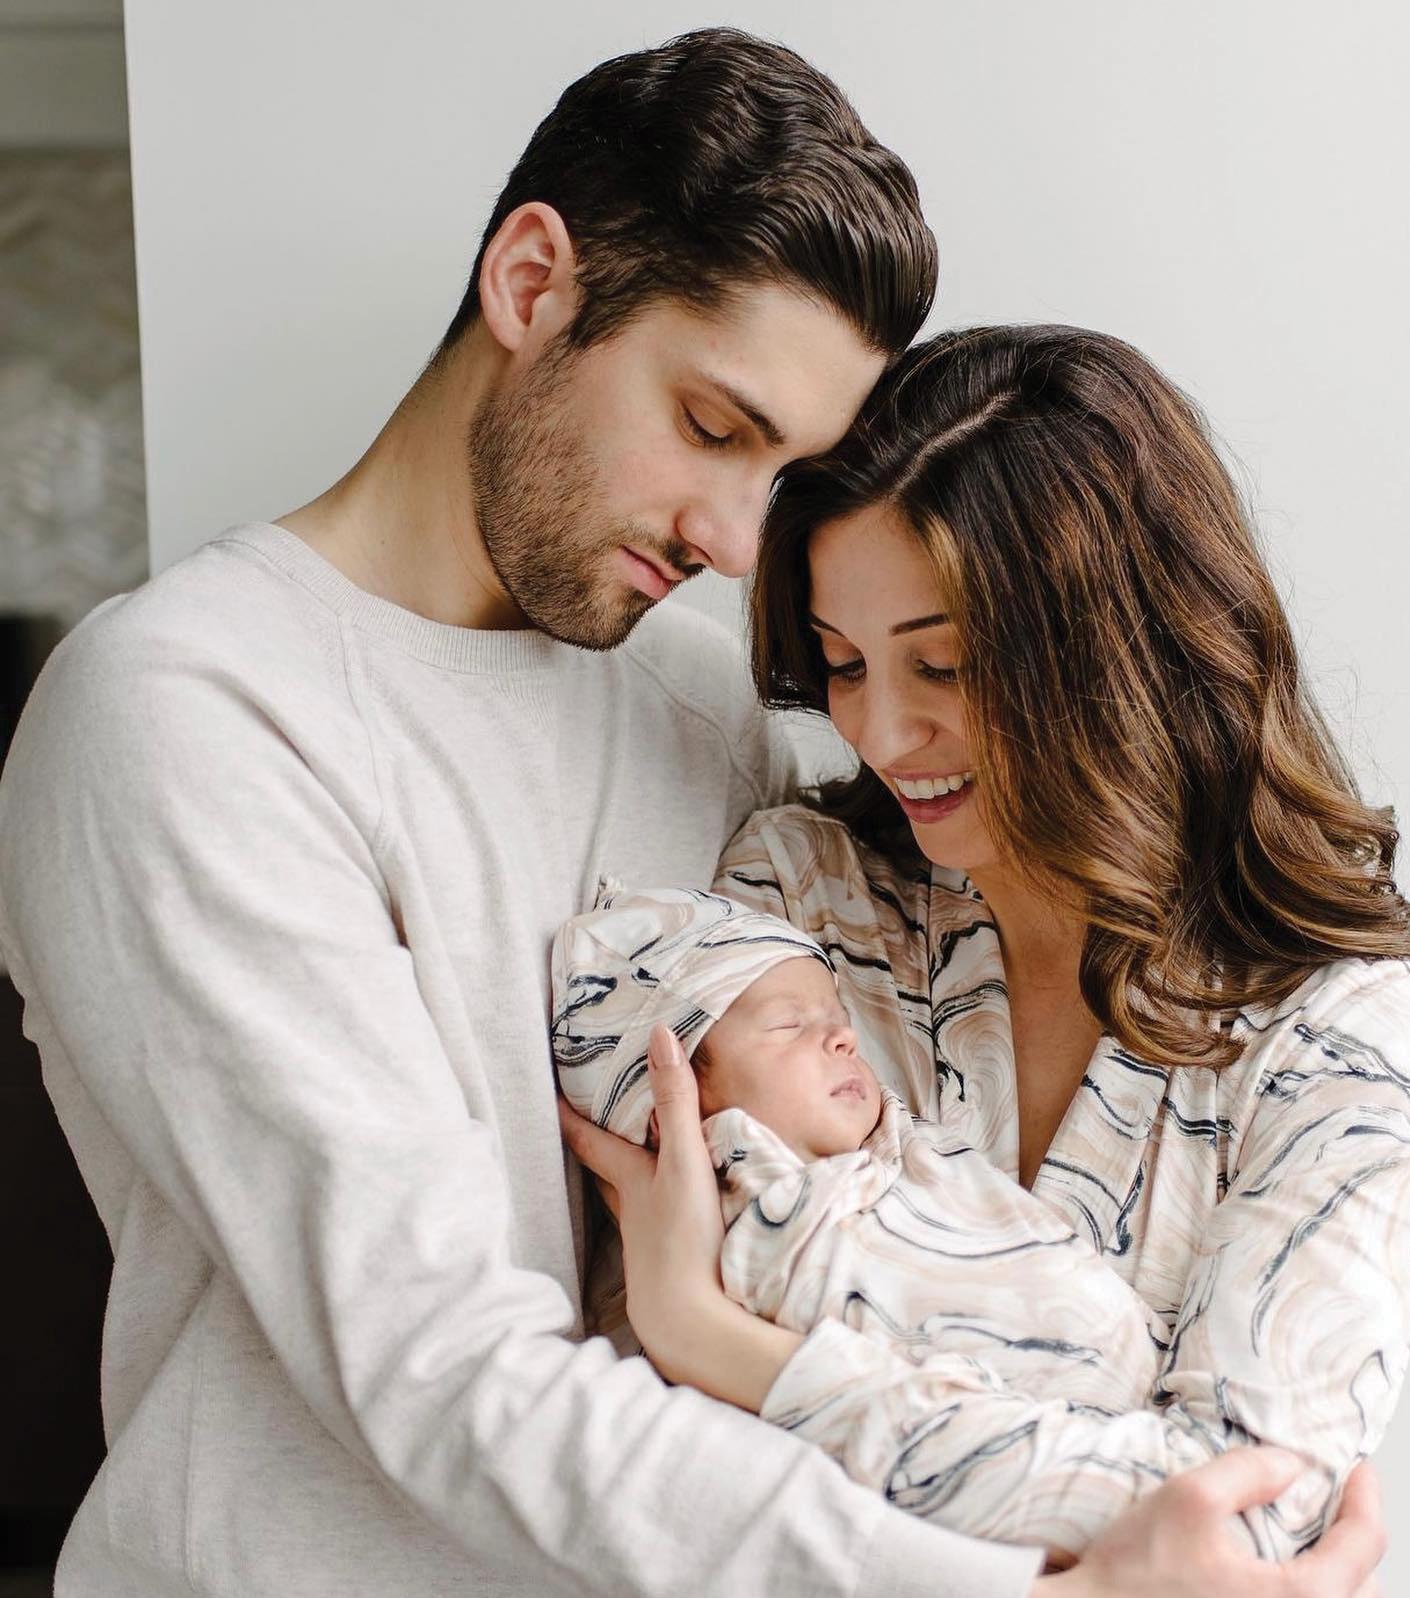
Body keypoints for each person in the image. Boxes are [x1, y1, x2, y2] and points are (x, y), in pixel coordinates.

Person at [0, 23, 1385, 1595]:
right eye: (714, 428)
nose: (735, 543)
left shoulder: (697, 705)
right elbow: (437, 1365)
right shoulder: (189, 708)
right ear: (532, 281)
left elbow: (823, 1270)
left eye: (778, 474)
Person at [560, 326, 1408, 1592]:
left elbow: (1246, 1519)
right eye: (843, 663)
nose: (880, 729)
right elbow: (660, 1447)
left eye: (943, 665)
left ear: (1120, 649)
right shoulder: (796, 903)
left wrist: (730, 1345)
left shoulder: (1341, 1030)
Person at [552, 882, 1175, 1559]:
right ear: (667, 1102)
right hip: (1066, 1475)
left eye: (838, 1016)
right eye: (789, 1024)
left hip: (1151, 1417)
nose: (844, 1036)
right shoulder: (767, 1233)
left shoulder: (906, 1150)